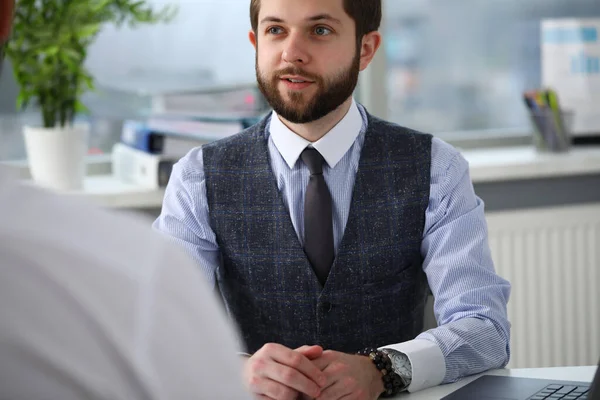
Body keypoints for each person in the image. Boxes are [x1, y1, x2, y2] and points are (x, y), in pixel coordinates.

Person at [153, 0, 512, 399]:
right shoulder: (198, 176)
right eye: (275, 31)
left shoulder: (436, 168)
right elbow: (159, 328)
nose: (292, 53)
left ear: (366, 49)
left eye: (320, 30)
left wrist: (383, 369)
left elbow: (485, 329)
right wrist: (234, 368)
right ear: (255, 42)